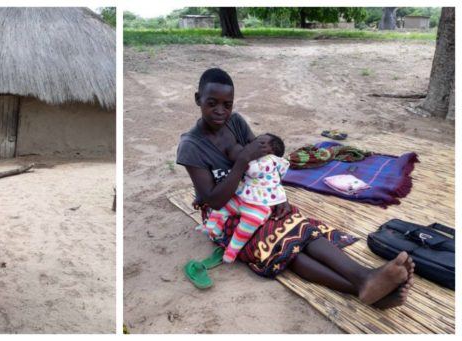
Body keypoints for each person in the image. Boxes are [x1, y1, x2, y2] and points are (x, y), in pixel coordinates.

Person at [176, 68, 414, 309]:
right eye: (212, 103)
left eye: (227, 104)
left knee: (298, 226)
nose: (220, 111)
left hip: (255, 194)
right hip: (223, 214)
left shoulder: (234, 122)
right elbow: (213, 200)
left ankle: (365, 276)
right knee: (279, 243)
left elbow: (264, 163)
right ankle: (362, 285)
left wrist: (277, 193)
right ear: (198, 99)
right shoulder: (191, 145)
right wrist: (240, 163)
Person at [198, 133, 289, 263]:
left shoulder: (270, 160)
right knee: (224, 206)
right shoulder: (258, 157)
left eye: (261, 144)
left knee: (247, 226)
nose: (254, 145)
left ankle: (231, 253)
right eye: (255, 141)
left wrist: (244, 157)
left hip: (260, 203)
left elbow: (252, 171)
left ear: (272, 151)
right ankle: (211, 229)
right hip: (245, 195)